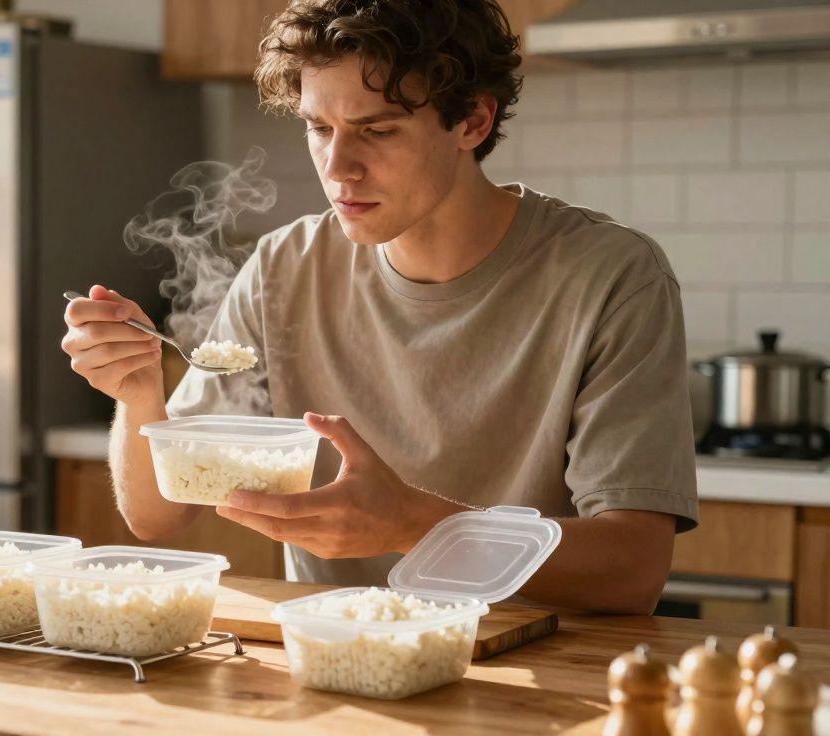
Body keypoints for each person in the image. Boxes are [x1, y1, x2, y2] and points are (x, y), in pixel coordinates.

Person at [60, 0, 697, 614]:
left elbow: (633, 571)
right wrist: (139, 393)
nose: (338, 167)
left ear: (471, 122)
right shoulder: (285, 267)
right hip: (334, 656)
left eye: (378, 129)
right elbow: (159, 513)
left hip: (534, 668)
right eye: (318, 128)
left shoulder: (612, 275)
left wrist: (414, 523)